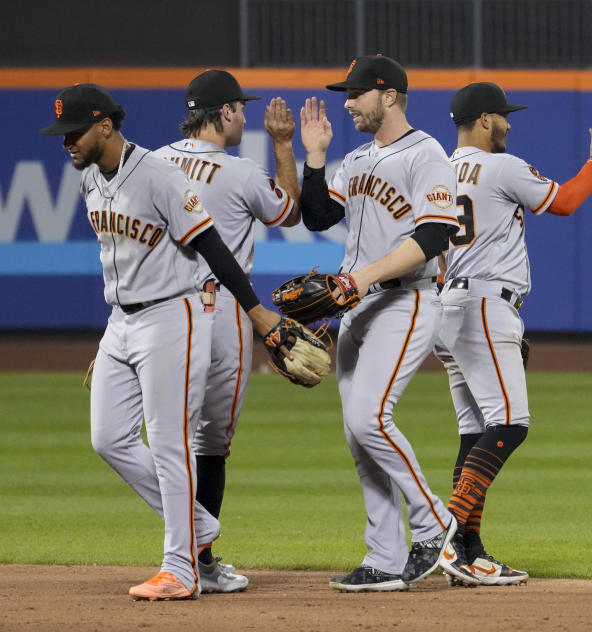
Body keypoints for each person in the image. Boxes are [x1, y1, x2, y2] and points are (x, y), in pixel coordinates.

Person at [41, 83, 288, 600]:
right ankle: (197, 523)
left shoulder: (159, 176)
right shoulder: (90, 177)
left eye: (75, 131)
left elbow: (212, 246)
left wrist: (258, 312)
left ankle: (182, 568)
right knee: (108, 437)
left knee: (171, 442)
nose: (67, 142)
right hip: (122, 321)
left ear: (105, 124)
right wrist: (115, 331)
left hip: (174, 317)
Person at [433, 82, 592, 586]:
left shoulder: (434, 170)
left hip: (449, 303)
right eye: (502, 116)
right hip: (485, 305)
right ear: (483, 121)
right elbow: (564, 202)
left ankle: (469, 551)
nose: (509, 123)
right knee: (511, 424)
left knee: (475, 431)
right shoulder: (501, 165)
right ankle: (446, 534)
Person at [297, 54, 462, 592]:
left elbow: (434, 237)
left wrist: (361, 278)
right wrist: (315, 158)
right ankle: (384, 558)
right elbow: (320, 216)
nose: (347, 102)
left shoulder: (427, 153)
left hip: (405, 300)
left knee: (370, 416)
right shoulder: (360, 157)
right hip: (357, 305)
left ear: (388, 95)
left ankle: (435, 521)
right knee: (356, 432)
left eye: (356, 93)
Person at [154, 69, 302, 593]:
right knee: (210, 442)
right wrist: (284, 145)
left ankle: (181, 558)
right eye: (238, 108)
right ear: (222, 115)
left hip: (158, 315)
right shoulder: (239, 174)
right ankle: (202, 560)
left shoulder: (152, 163)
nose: (243, 115)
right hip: (220, 314)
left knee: (169, 437)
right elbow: (289, 208)